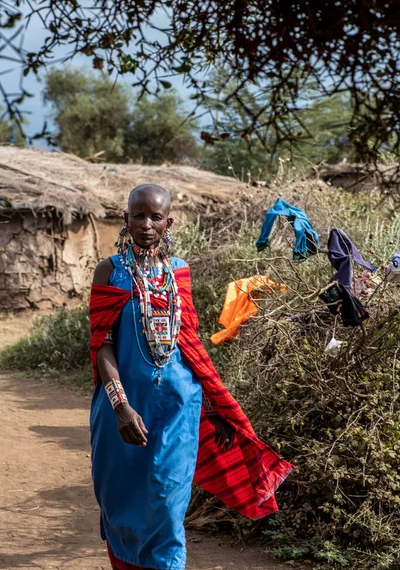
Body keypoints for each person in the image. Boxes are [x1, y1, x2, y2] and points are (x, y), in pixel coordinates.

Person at [89, 184, 293, 570]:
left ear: (169, 222)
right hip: (122, 411)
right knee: (121, 505)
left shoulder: (179, 270)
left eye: (155, 217)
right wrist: (121, 407)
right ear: (126, 219)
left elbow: (188, 344)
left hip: (177, 409)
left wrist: (214, 407)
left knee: (166, 507)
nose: (147, 224)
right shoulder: (110, 272)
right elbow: (103, 345)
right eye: (138, 215)